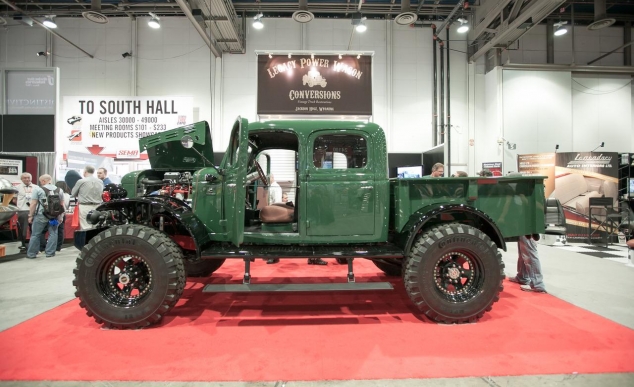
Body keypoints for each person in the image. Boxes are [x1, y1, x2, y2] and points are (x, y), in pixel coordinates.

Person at [26, 174, 65, 259]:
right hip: (54, 216)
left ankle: (32, 254)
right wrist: (61, 216)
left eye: (41, 182)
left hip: (41, 215)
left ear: (43, 181)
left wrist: (30, 216)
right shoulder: (59, 190)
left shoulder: (38, 190)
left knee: (35, 234)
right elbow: (62, 205)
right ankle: (50, 253)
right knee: (53, 234)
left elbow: (33, 204)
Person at [40, 181, 71, 252]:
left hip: (51, 214)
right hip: (62, 214)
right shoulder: (68, 196)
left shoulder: (52, 193)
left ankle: (44, 246)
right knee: (59, 231)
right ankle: (58, 247)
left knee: (44, 231)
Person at [71, 165, 104, 230]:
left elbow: (73, 194)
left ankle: (86, 240)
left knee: (85, 227)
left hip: (85, 206)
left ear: (85, 172)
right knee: (96, 227)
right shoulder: (100, 181)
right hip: (98, 206)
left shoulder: (81, 181)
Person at [15, 172, 34, 252]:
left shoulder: (36, 187)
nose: (27, 179)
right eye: (25, 178)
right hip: (22, 210)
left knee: (34, 229)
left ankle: (33, 246)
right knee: (22, 229)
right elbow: (14, 199)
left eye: (28, 177)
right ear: (21, 179)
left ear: (31, 178)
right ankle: (22, 245)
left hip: (33, 210)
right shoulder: (17, 188)